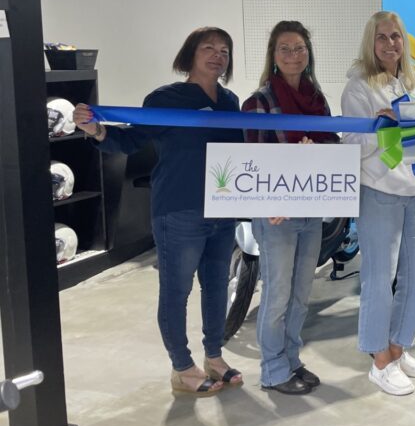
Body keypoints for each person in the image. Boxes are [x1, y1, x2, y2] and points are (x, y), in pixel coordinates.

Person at [73, 27, 244, 396]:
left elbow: (243, 156)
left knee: (216, 287)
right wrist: (96, 130)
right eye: (209, 48)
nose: (218, 55)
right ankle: (181, 366)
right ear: (189, 55)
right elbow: (131, 139)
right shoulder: (166, 98)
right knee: (177, 291)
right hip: (179, 210)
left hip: (222, 210)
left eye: (225, 50)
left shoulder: (230, 102)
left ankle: (214, 356)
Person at [340, 11, 415, 396]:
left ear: (405, 41)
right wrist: (379, 127)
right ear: (371, 42)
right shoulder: (358, 88)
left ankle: (398, 348)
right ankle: (379, 359)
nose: (389, 44)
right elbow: (350, 145)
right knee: (379, 281)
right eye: (381, 37)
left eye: (396, 37)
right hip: (380, 194)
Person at [241, 21, 339, 395]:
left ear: (308, 53)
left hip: (310, 210)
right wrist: (269, 201)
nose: (293, 55)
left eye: (299, 48)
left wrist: (319, 149)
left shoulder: (318, 100)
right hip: (277, 213)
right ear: (273, 55)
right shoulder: (258, 103)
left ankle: (292, 359)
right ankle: (272, 370)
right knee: (277, 295)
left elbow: (333, 148)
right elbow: (252, 158)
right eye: (285, 48)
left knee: (301, 294)